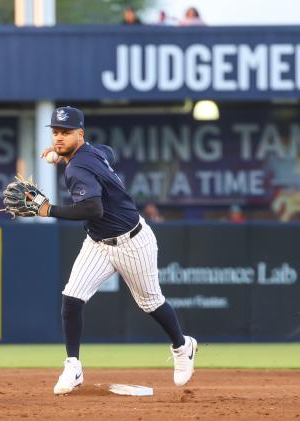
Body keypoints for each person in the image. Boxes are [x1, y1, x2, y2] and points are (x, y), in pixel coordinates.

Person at [38, 106, 196, 395]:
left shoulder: (77, 167)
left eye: (66, 133)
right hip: (98, 243)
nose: (59, 137)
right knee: (72, 297)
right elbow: (109, 151)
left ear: (80, 134)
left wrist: (47, 209)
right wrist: (59, 155)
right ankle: (73, 365)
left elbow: (92, 208)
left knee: (151, 303)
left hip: (132, 241)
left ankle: (182, 345)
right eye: (56, 132)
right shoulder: (91, 153)